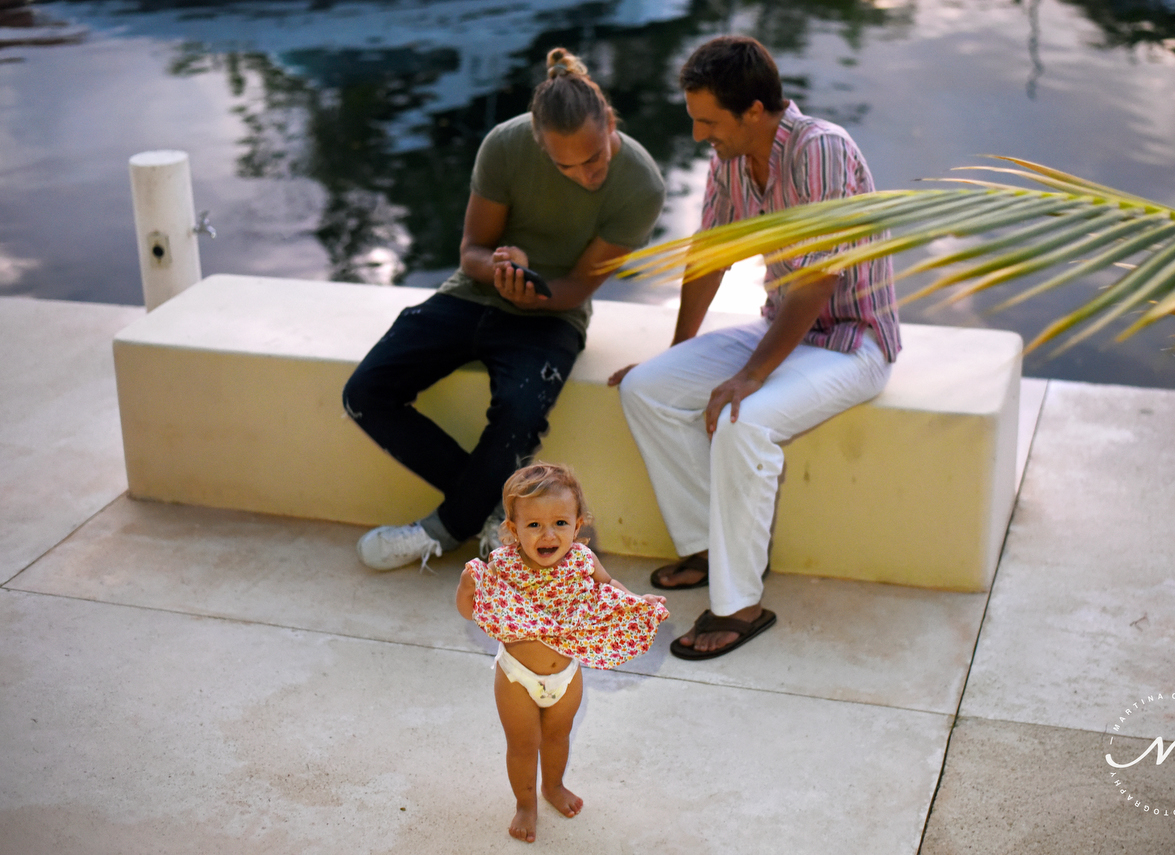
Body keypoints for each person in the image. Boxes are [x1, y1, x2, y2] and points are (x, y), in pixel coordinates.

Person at [611, 36, 901, 660]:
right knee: (646, 389)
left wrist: (749, 376)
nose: (698, 136)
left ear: (754, 112)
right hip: (785, 329)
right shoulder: (733, 156)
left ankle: (740, 602)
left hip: (853, 341)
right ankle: (709, 546)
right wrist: (675, 354)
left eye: (708, 121)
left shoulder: (819, 148)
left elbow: (819, 281)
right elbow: (708, 258)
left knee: (743, 421)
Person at [343, 48, 665, 570]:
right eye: (567, 165)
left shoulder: (641, 186)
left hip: (555, 313)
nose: (586, 174)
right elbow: (471, 250)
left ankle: (442, 531)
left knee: (519, 410)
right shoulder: (505, 145)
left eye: (595, 159)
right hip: (471, 295)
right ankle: (500, 512)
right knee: (365, 392)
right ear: (539, 145)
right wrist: (500, 271)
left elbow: (581, 284)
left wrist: (534, 294)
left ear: (609, 123)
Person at [455, 463, 668, 843]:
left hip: (565, 677)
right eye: (533, 525)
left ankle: (553, 786)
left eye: (560, 523)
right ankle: (525, 804)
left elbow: (609, 590)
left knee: (558, 736)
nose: (548, 534)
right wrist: (467, 588)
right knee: (523, 745)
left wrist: (637, 602)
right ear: (512, 529)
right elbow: (473, 611)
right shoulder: (503, 566)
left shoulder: (583, 562)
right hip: (517, 677)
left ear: (578, 523)